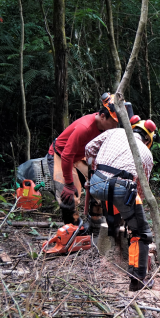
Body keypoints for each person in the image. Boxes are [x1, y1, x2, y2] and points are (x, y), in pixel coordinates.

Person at [85, 117, 158, 291]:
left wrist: (93, 169)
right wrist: (134, 211)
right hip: (120, 188)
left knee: (113, 194)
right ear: (148, 139)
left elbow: (89, 148)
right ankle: (137, 279)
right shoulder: (146, 154)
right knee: (141, 233)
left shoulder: (114, 132)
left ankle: (114, 223)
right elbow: (141, 188)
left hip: (96, 183)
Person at [46, 93, 121, 225]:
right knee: (69, 197)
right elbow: (67, 155)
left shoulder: (105, 130)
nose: (115, 126)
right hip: (61, 155)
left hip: (80, 156)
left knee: (101, 182)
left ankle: (96, 220)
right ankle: (73, 227)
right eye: (114, 122)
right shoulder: (84, 127)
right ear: (103, 116)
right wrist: (69, 184)